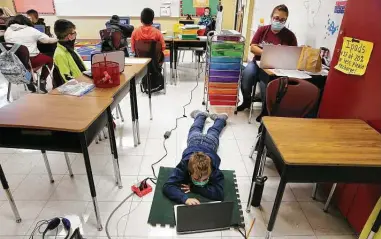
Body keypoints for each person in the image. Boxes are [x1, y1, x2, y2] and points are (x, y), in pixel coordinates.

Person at [237, 4, 297, 111]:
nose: (279, 22)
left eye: (283, 20)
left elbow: (293, 54)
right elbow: (253, 48)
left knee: (268, 86)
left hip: (276, 67)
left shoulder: (290, 36)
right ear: (271, 17)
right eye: (276, 18)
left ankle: (265, 111)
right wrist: (268, 52)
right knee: (247, 75)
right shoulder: (263, 30)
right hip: (257, 63)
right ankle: (246, 101)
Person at [163, 110, 228, 205]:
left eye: (205, 179)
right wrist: (184, 199)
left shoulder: (214, 170)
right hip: (198, 141)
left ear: (210, 172)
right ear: (189, 172)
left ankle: (207, 116)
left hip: (209, 142)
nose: (201, 182)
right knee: (207, 130)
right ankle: (215, 117)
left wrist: (195, 187)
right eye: (197, 179)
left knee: (199, 129)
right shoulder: (183, 166)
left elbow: (219, 194)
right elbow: (167, 187)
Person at [4, 15, 57, 92]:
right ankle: (42, 80)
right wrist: (58, 39)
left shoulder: (8, 30)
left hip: (14, 62)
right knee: (49, 59)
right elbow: (47, 40)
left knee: (25, 60)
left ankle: (29, 79)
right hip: (30, 61)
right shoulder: (31, 30)